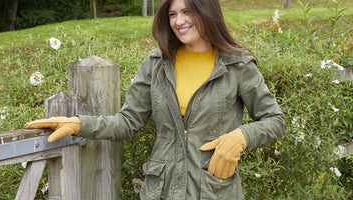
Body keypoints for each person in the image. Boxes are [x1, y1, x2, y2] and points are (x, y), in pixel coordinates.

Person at [25, 0, 286, 199]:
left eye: (186, 12)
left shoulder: (237, 64)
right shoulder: (156, 63)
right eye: (172, 14)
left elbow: (275, 121)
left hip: (214, 191)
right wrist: (80, 124)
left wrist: (240, 137)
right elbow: (127, 121)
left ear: (207, 11)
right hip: (161, 191)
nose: (178, 21)